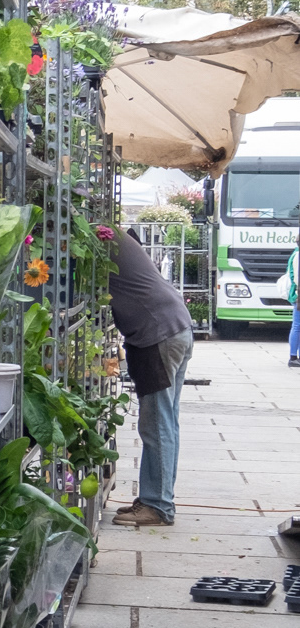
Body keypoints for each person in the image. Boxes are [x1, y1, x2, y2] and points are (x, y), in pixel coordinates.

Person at [100, 224, 195, 528]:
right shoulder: (111, 235)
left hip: (157, 335)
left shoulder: (96, 239)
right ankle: (158, 498)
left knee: (156, 423)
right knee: (166, 421)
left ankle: (158, 506)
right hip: (172, 327)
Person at [286, 244, 300, 367]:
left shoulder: (296, 254)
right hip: (298, 295)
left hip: (296, 294)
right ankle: (293, 357)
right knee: (297, 326)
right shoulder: (298, 255)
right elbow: (297, 279)